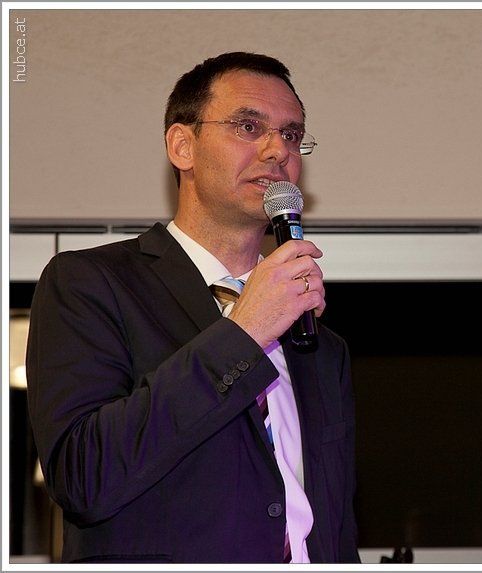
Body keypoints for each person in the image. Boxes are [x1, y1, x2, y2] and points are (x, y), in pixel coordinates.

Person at [26, 52, 359, 563]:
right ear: (182, 146)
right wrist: (244, 331)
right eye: (249, 126)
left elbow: (333, 527)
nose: (278, 150)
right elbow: (82, 477)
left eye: (292, 135)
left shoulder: (318, 343)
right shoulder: (91, 284)